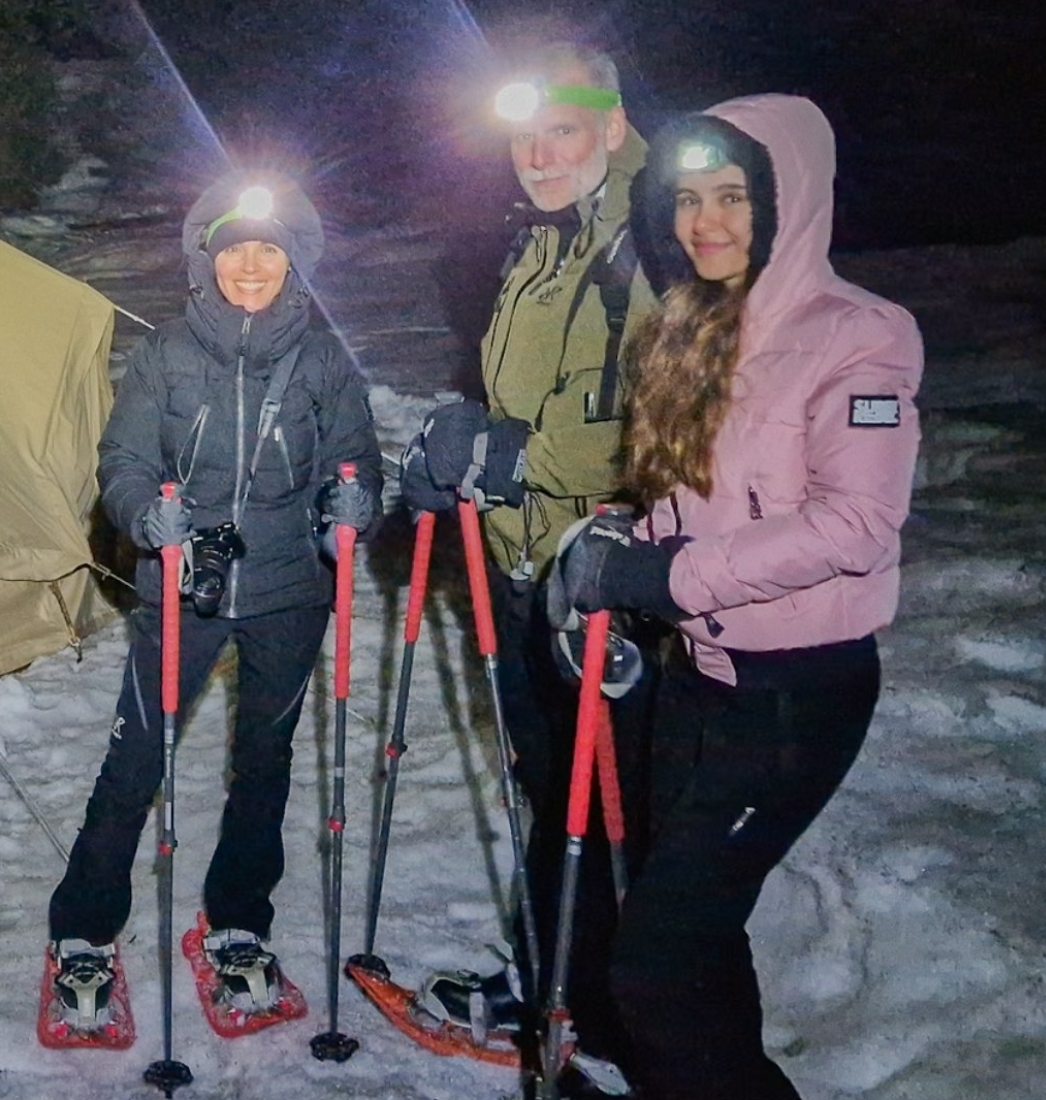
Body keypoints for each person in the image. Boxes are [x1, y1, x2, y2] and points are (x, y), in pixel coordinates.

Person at [548, 94, 922, 1100]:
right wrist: (632, 538)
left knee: (656, 964)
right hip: (696, 677)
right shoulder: (691, 325)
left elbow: (855, 523)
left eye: (731, 196)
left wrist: (662, 577)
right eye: (684, 198)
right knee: (693, 936)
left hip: (793, 696)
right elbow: (702, 498)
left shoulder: (859, 336)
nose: (703, 221)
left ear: (785, 200)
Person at [44, 172, 381, 1035]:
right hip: (182, 586)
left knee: (264, 763)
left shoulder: (322, 356)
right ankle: (83, 932)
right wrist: (140, 514)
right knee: (136, 761)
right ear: (207, 259)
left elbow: (355, 458)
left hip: (288, 592)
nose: (252, 264)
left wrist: (354, 505)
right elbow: (120, 458)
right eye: (235, 249)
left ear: (293, 259)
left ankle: (238, 922)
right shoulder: (165, 354)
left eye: (269, 248)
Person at [398, 40, 657, 1067]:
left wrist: (514, 454)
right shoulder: (548, 239)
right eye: (525, 135)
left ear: (612, 124)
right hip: (527, 560)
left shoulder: (649, 240)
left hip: (604, 571)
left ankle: (631, 1006)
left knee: (613, 799)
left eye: (564, 130)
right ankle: (562, 980)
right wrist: (472, 434)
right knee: (555, 789)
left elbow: (667, 413)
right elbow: (528, 394)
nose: (541, 154)